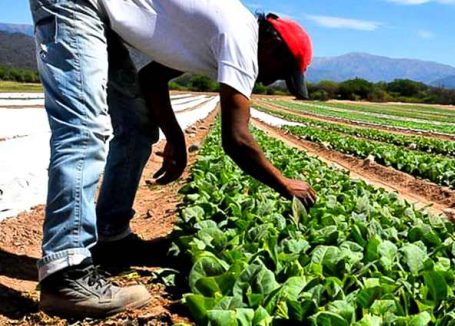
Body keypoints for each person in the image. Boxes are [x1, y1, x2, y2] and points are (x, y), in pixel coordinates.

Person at [29, 0, 317, 318]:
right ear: (273, 44)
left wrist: (176, 138)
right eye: (280, 72)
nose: (269, 82)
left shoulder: (220, 31)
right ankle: (64, 274)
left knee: (138, 129)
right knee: (85, 127)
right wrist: (285, 185)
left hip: (100, 14)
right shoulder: (241, 37)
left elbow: (152, 78)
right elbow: (237, 139)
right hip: (75, 4)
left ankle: (111, 236)